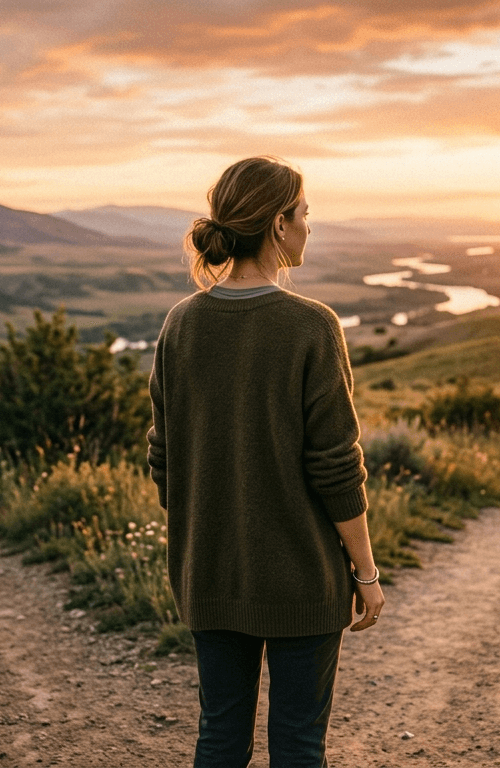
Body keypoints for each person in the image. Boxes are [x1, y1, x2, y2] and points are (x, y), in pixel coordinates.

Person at [146, 156, 385, 768]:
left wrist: (209, 532)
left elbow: (164, 458)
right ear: (279, 225)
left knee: (219, 739)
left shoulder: (180, 323)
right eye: (305, 214)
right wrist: (365, 572)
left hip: (210, 572)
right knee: (299, 745)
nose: (310, 227)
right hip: (301, 578)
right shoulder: (310, 325)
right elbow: (336, 467)